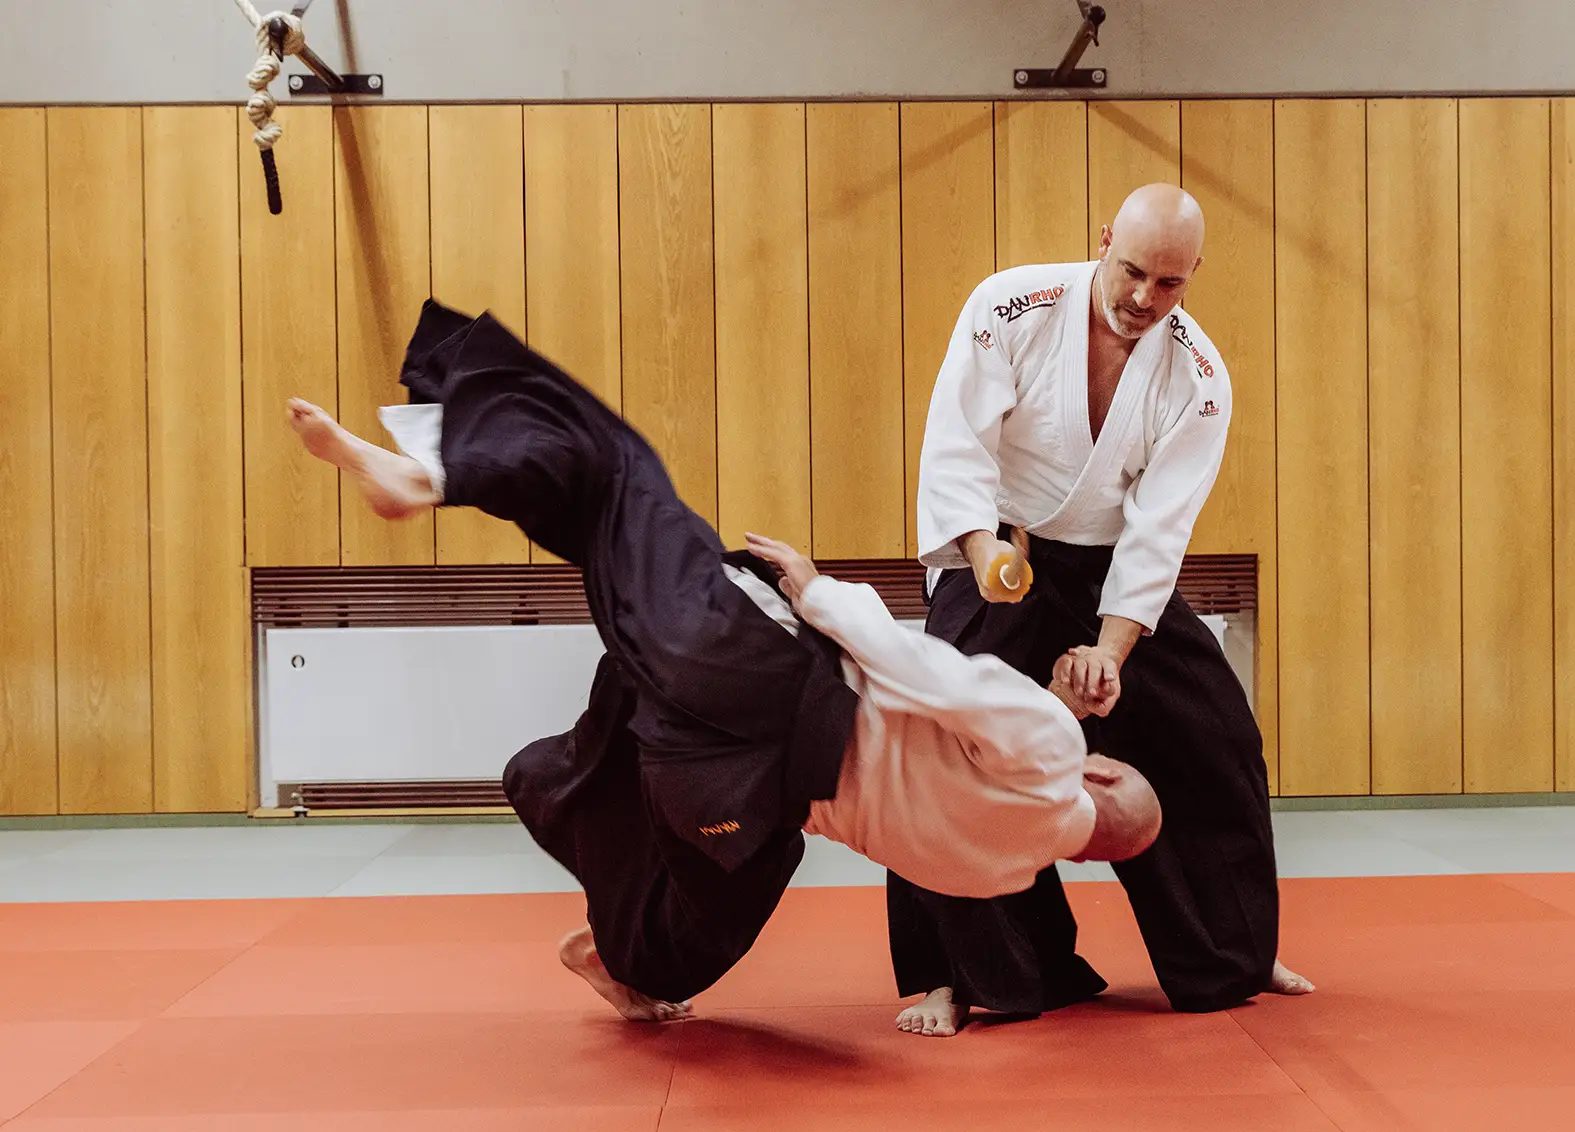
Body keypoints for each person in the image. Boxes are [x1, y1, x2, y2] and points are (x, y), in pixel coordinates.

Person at [284, 299, 1162, 1023]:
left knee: (621, 473)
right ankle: (627, 959)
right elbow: (934, 780)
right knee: (733, 868)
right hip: (721, 786)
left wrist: (820, 595)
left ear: (1105, 773)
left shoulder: (1051, 752)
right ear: (1086, 860)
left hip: (751, 679)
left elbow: (931, 672)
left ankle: (430, 476)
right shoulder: (1000, 871)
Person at [887, 182, 1313, 1038]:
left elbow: (1161, 529)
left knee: (1216, 732)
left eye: (1169, 284)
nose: (1142, 299)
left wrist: (1110, 654)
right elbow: (956, 444)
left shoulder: (1198, 376)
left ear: (1192, 277)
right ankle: (960, 974)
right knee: (945, 745)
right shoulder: (1011, 305)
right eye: (1131, 271)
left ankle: (1233, 946)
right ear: (1105, 239)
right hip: (999, 550)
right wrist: (984, 557)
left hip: (1111, 570)